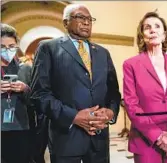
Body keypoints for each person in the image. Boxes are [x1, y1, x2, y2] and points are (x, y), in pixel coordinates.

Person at [30, 4, 121, 163]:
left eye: (89, 19)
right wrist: (74, 116)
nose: (86, 22)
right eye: (80, 17)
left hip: (98, 139)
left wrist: (110, 113)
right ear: (65, 23)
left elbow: (113, 92)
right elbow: (39, 94)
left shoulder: (102, 52)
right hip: (66, 138)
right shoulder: (48, 48)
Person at [123, 12, 167, 163]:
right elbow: (131, 104)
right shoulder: (131, 65)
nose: (152, 30)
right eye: (147, 27)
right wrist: (158, 136)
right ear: (142, 35)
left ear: (164, 34)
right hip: (145, 140)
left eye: (157, 26)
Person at [1, 23, 33, 163]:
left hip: (20, 128)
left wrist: (25, 89)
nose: (7, 50)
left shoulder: (25, 69)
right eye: (2, 47)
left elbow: (37, 100)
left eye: (11, 46)